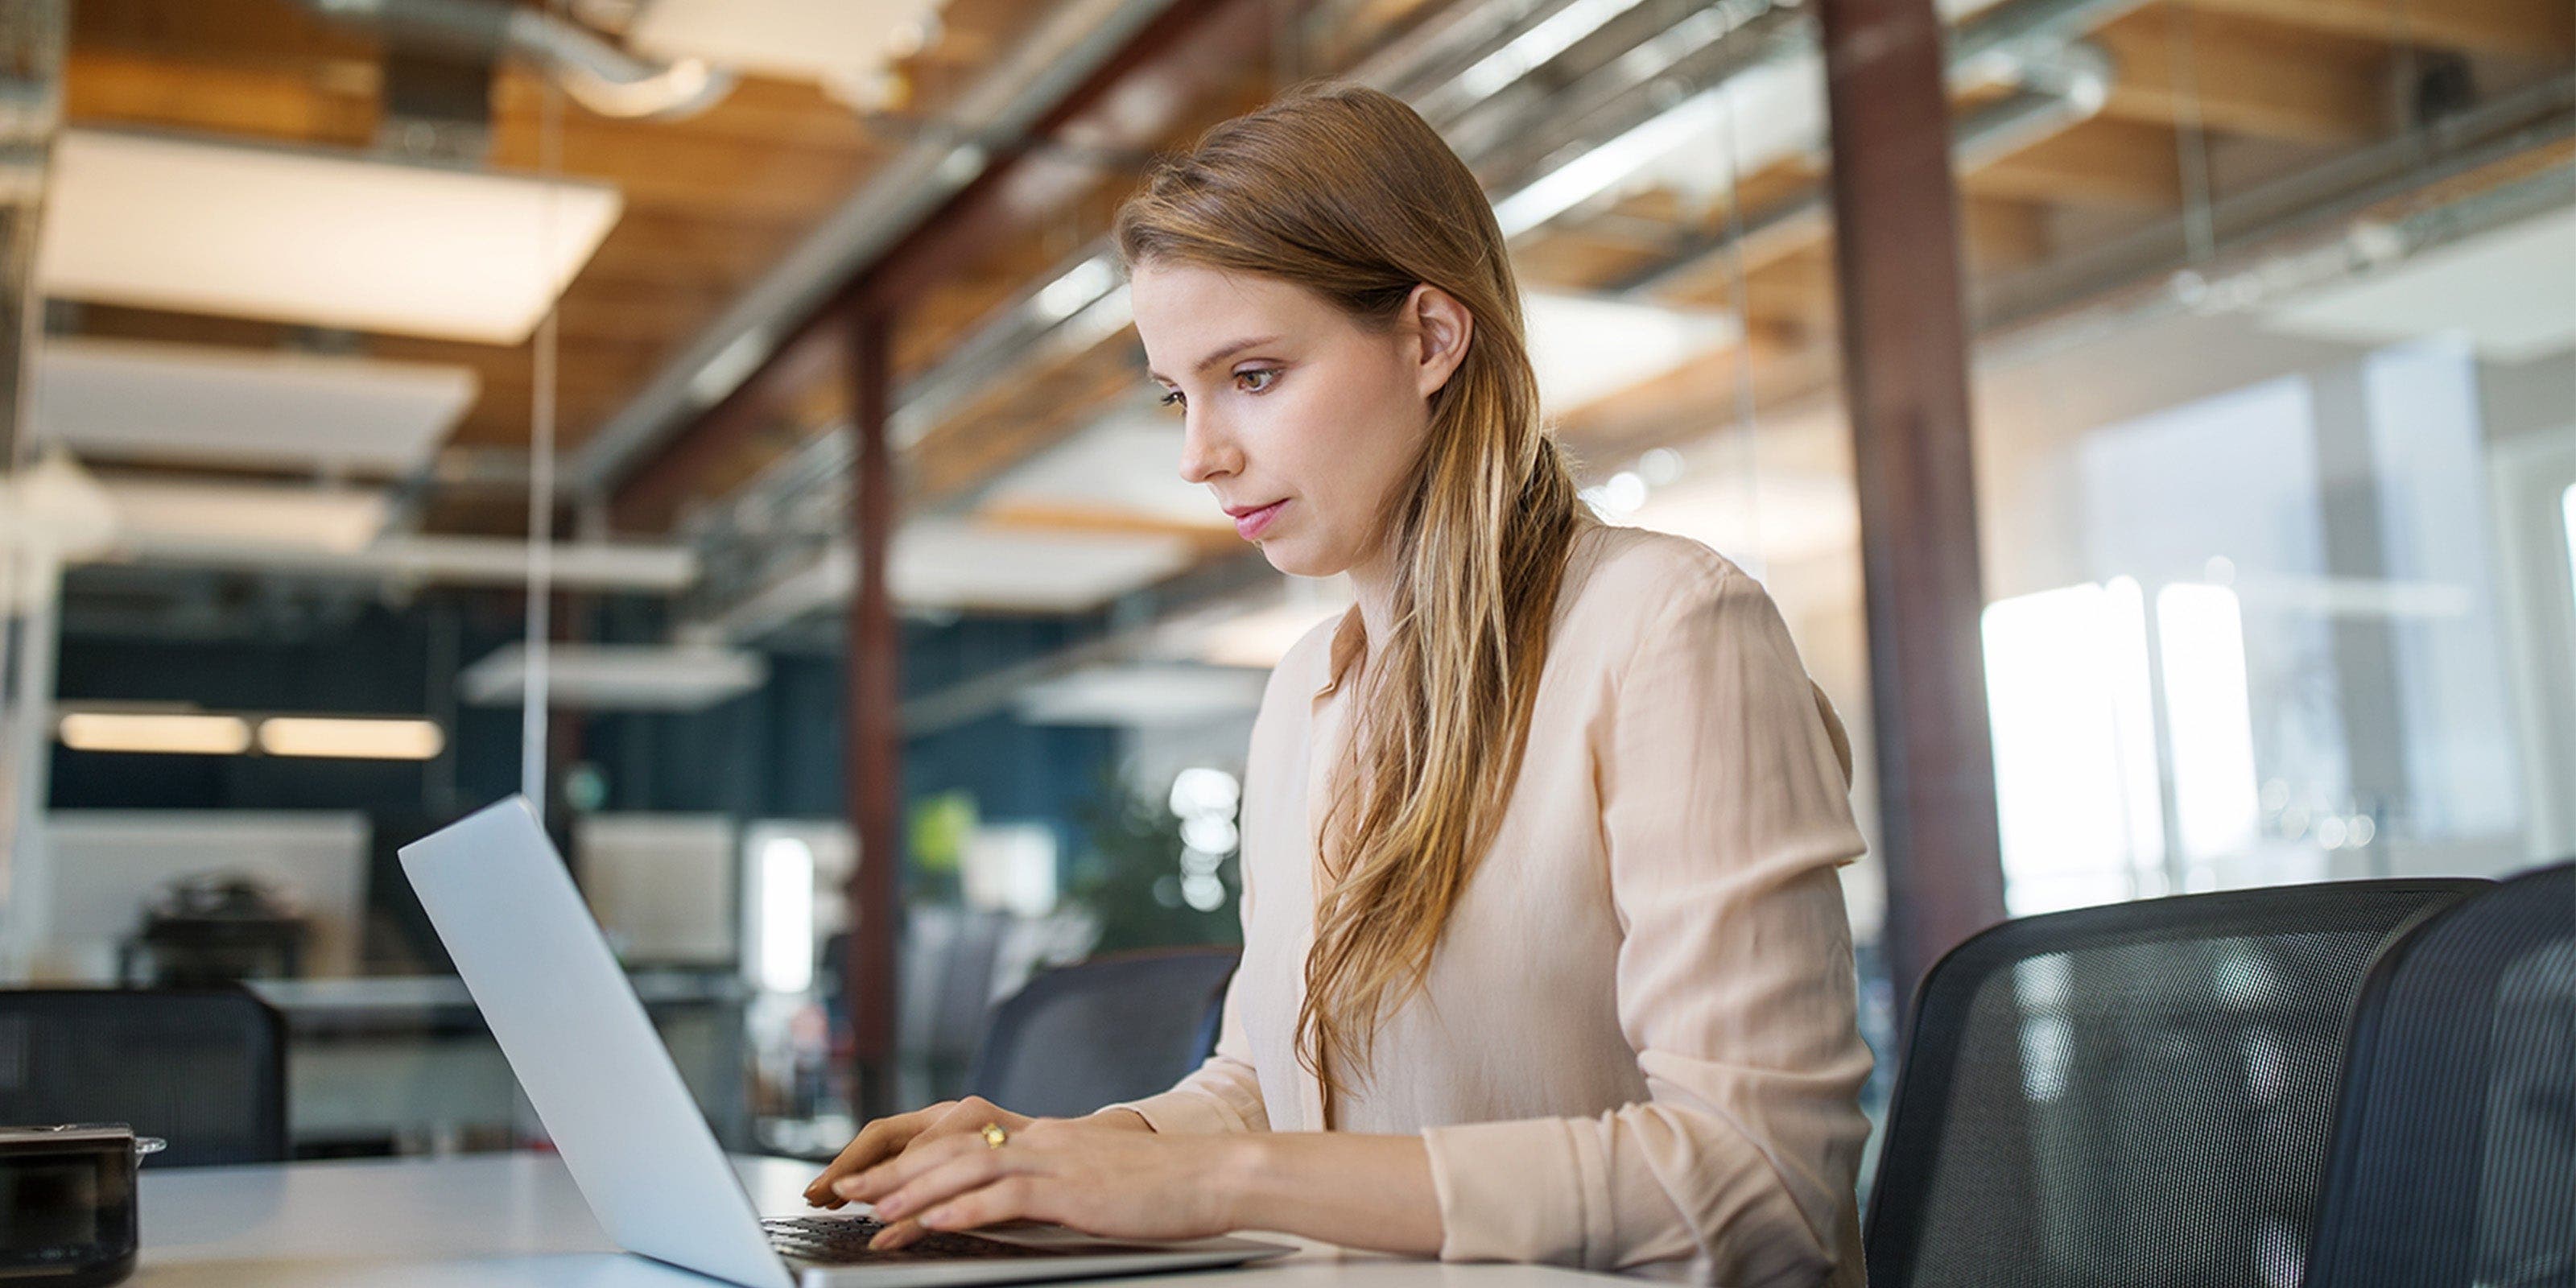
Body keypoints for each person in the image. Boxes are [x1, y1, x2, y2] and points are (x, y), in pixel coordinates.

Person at [805, 81, 1874, 1286]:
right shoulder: (1310, 690)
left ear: (1430, 337)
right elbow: (1268, 1090)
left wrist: (1210, 1184)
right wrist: (1039, 1155)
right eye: (1177, 394)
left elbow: (1759, 1182)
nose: (1200, 455)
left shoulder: (1670, 629)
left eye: (1252, 375)